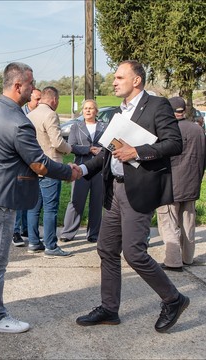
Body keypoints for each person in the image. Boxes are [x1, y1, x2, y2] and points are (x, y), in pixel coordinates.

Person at [0, 62, 81, 334]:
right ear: (18, 86)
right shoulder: (19, 122)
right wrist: (69, 172)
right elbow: (40, 165)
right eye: (31, 85)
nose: (35, 90)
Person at [76, 60, 189, 333]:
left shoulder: (157, 105)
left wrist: (137, 152)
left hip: (139, 189)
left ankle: (174, 299)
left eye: (119, 77)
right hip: (114, 189)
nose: (113, 81)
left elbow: (174, 143)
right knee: (106, 248)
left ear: (136, 80)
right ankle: (109, 309)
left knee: (135, 253)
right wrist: (80, 169)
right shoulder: (119, 112)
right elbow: (106, 152)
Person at [157, 96, 206, 272]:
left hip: (170, 184)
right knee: (188, 222)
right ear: (183, 110)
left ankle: (173, 260)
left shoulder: (166, 130)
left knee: (168, 222)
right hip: (192, 183)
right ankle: (188, 258)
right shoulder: (198, 129)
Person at [27, 86, 73, 257]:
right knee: (50, 208)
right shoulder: (50, 114)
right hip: (50, 165)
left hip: (32, 165)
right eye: (58, 100)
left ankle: (33, 241)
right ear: (53, 99)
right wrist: (69, 149)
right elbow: (57, 142)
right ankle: (51, 246)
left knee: (33, 207)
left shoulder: (30, 115)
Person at [60, 99, 105, 244]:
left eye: (91, 108)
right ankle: (68, 232)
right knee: (76, 201)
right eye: (85, 108)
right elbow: (71, 146)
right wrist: (88, 149)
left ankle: (94, 234)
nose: (88, 111)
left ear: (96, 111)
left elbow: (112, 144)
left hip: (99, 168)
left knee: (97, 202)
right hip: (81, 168)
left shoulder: (104, 126)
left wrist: (101, 150)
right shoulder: (75, 127)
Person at [12, 88, 42, 247]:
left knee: (28, 197)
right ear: (30, 99)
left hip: (33, 162)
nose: (39, 102)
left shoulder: (39, 115)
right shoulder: (20, 115)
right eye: (37, 99)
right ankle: (15, 231)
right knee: (18, 198)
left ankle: (26, 229)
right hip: (20, 163)